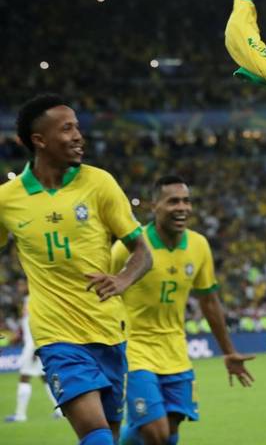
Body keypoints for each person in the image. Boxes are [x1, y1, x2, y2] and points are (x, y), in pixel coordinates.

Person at [0, 93, 153, 445]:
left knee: (108, 438)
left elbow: (142, 251)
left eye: (77, 127)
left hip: (108, 331)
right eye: (67, 128)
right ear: (39, 140)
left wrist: (123, 278)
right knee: (96, 437)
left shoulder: (99, 183)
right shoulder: (7, 199)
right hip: (57, 337)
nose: (78, 135)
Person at [114, 175, 255, 445]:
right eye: (173, 201)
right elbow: (102, 289)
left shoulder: (199, 245)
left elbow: (209, 302)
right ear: (154, 205)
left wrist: (228, 352)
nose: (182, 207)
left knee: (169, 434)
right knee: (155, 432)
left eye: (187, 201)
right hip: (135, 350)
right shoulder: (129, 246)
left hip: (176, 351)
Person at [3, 277, 63, 423]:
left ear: (30, 285)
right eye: (18, 284)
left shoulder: (33, 300)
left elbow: (37, 326)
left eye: (22, 284)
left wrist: (34, 349)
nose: (19, 287)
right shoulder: (28, 300)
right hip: (35, 347)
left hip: (33, 348)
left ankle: (20, 415)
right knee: (45, 379)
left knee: (24, 378)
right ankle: (61, 411)